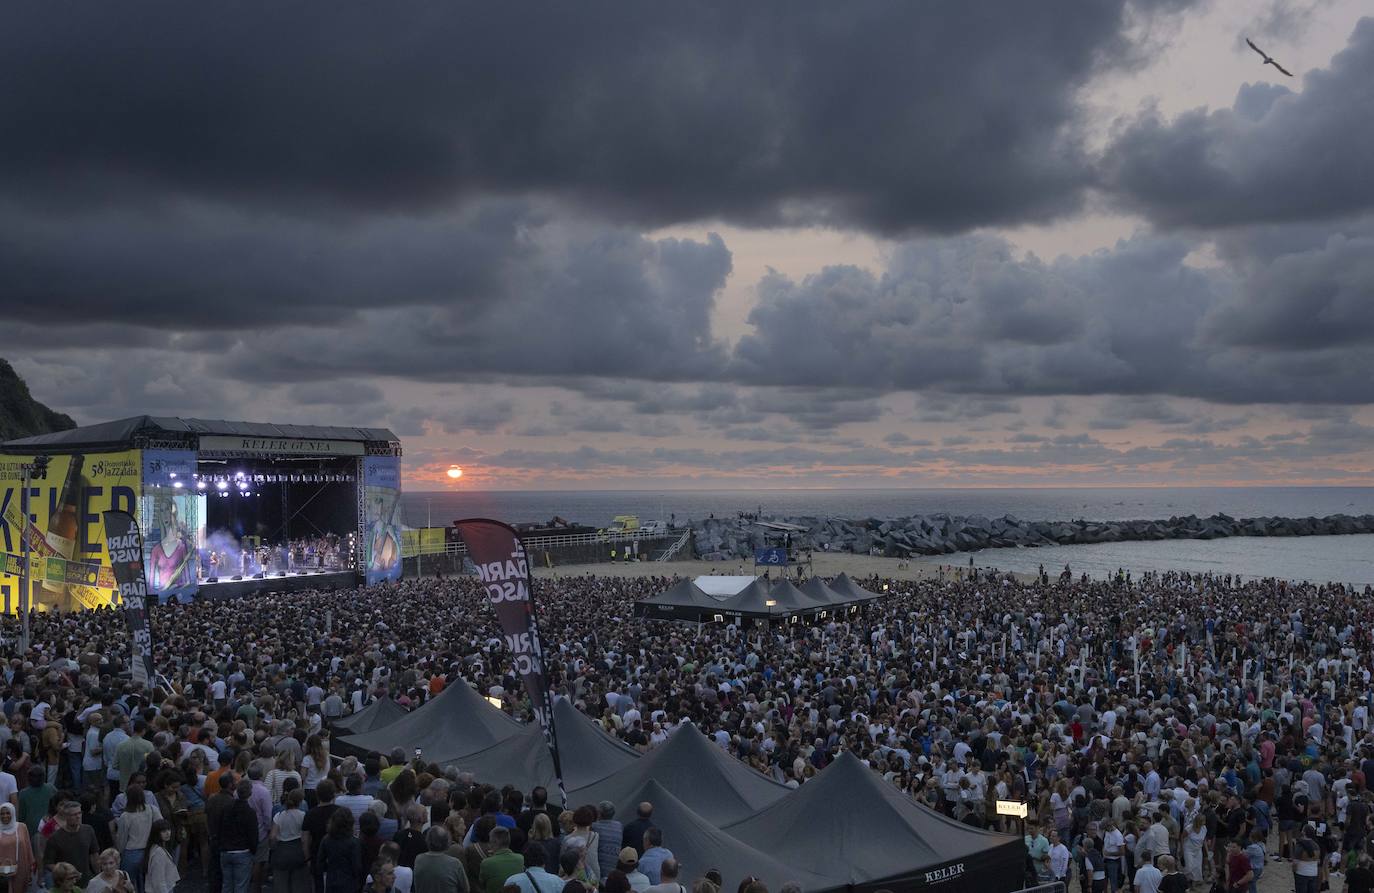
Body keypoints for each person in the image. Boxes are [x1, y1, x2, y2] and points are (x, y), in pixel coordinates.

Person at [215, 780, 261, 893]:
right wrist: (253, 850)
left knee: (226, 885)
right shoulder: (250, 812)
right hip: (242, 852)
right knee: (241, 886)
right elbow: (253, 834)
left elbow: (219, 828)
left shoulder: (226, 808)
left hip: (226, 850)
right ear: (250, 794)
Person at [113, 783, 156, 893]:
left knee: (128, 884)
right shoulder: (152, 809)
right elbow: (160, 826)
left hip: (131, 853)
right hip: (149, 850)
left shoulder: (125, 816)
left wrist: (119, 853)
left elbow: (122, 839)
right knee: (149, 883)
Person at [45, 799, 99, 885]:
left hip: (86, 881)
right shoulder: (55, 837)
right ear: (66, 816)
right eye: (74, 814)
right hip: (65, 885)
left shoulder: (88, 830)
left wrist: (98, 875)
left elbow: (94, 855)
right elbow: (49, 863)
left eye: (79, 813)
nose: (78, 816)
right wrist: (67, 873)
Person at [270, 788, 310, 893]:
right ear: (300, 801)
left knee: (281, 886)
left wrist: (274, 848)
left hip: (281, 851)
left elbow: (272, 836)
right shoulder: (303, 816)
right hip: (297, 851)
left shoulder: (279, 816)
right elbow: (305, 838)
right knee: (298, 885)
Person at [317, 807, 363, 893]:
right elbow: (357, 866)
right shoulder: (354, 842)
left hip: (331, 878)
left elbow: (320, 862)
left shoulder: (326, 839)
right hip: (349, 881)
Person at [412, 826, 467, 893]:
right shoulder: (455, 863)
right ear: (447, 842)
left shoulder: (419, 859)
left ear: (428, 841)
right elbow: (466, 889)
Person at [0, 802, 34, 893]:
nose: (5, 816)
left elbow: (28, 847)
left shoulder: (22, 827)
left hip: (21, 869)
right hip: (2, 871)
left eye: (8, 813)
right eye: (2, 813)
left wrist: (31, 867)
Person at [475, 827, 521, 893]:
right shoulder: (520, 859)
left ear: (495, 842)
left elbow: (482, 884)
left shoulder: (486, 863)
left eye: (490, 842)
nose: (489, 845)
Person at [145, 819, 181, 893]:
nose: (168, 833)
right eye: (164, 831)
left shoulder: (156, 848)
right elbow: (159, 881)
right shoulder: (159, 853)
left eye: (168, 829)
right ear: (157, 833)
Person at [592, 802, 623, 883]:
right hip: (613, 870)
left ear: (599, 813)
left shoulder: (595, 827)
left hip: (599, 871)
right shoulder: (619, 826)